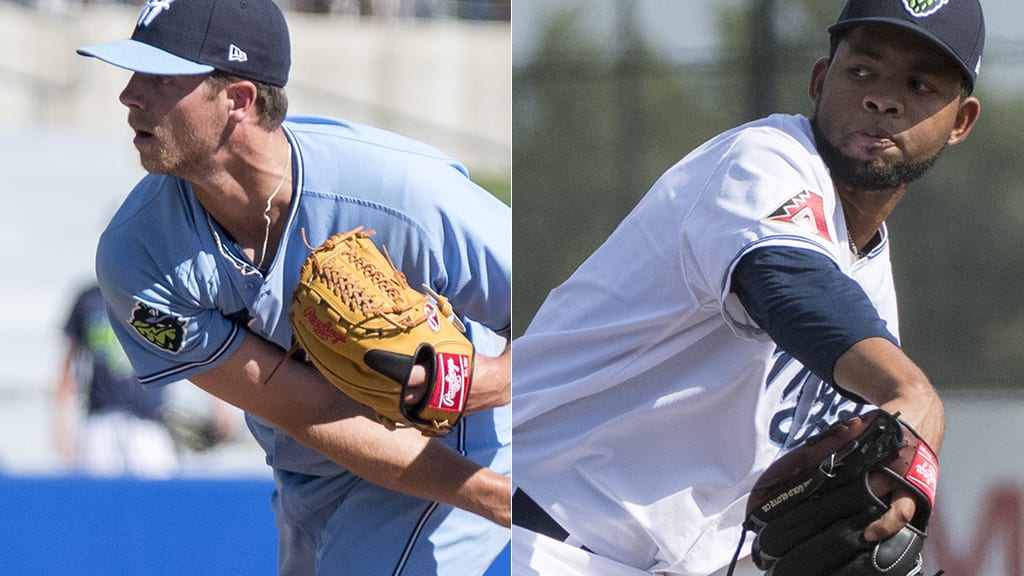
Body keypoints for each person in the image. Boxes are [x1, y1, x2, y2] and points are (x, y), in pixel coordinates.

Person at [510, 0, 984, 574]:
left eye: (920, 83)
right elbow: (787, 283)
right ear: (818, 80)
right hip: (533, 537)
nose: (883, 97)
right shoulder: (762, 162)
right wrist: (916, 393)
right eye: (862, 70)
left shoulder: (869, 281)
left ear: (960, 122)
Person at [75, 0, 512, 574]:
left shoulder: (399, 192)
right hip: (311, 463)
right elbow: (307, 410)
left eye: (159, 76)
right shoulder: (138, 258)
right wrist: (500, 499)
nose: (129, 94)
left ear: (238, 99)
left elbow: (570, 314)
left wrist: (487, 384)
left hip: (455, 439)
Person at [54, 282, 179, 478]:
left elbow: (195, 349)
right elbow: (68, 368)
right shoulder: (89, 299)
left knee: (158, 497)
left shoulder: (161, 293)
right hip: (102, 417)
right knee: (99, 498)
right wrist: (63, 428)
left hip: (148, 419)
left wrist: (219, 404)